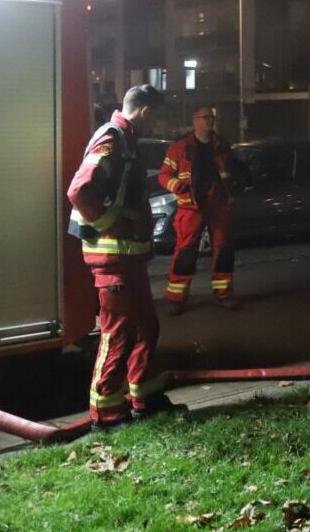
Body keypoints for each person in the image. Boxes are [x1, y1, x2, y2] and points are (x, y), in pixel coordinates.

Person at [67, 85, 183, 430]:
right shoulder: (113, 139)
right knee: (117, 334)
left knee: (146, 326)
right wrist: (111, 225)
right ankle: (105, 415)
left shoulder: (124, 139)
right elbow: (79, 190)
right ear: (145, 111)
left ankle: (145, 400)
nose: (157, 125)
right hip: (112, 258)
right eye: (156, 117)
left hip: (127, 258)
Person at [158, 105, 240, 315]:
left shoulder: (221, 144)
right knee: (186, 251)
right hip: (191, 206)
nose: (210, 122)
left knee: (224, 250)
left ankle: (224, 292)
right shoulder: (179, 147)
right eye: (206, 118)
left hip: (219, 203)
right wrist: (177, 186)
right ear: (195, 121)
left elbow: (231, 170)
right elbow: (164, 175)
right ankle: (176, 297)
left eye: (212, 118)